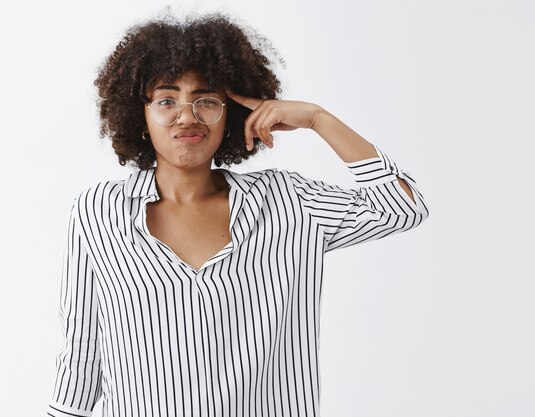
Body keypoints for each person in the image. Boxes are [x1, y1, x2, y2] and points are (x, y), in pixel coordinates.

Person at [46, 11, 429, 417]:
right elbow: (81, 358)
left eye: (207, 100)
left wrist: (319, 119)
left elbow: (402, 208)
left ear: (231, 113)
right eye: (166, 100)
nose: (187, 115)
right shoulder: (97, 213)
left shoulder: (287, 203)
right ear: (138, 117)